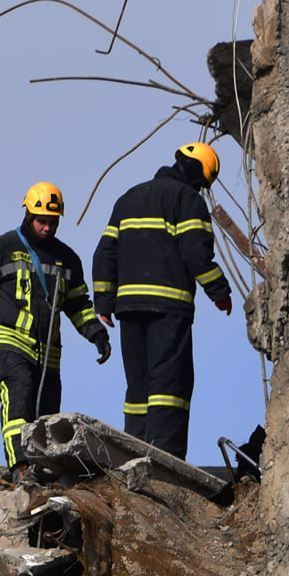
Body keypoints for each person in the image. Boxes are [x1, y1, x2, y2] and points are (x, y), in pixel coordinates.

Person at [0, 182, 110, 471]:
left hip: (48, 355)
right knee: (18, 404)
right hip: (9, 345)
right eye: (42, 221)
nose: (48, 228)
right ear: (27, 215)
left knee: (46, 418)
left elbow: (78, 305)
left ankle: (43, 471)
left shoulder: (68, 259)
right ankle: (20, 468)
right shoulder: (2, 249)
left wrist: (96, 334)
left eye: (53, 222)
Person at [91, 140, 233, 460]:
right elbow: (196, 255)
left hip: (128, 309)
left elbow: (104, 254)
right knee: (170, 387)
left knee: (138, 387)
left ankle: (133, 454)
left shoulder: (128, 198)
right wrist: (220, 293)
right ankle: (164, 462)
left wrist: (103, 302)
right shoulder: (187, 200)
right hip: (168, 310)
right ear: (199, 177)